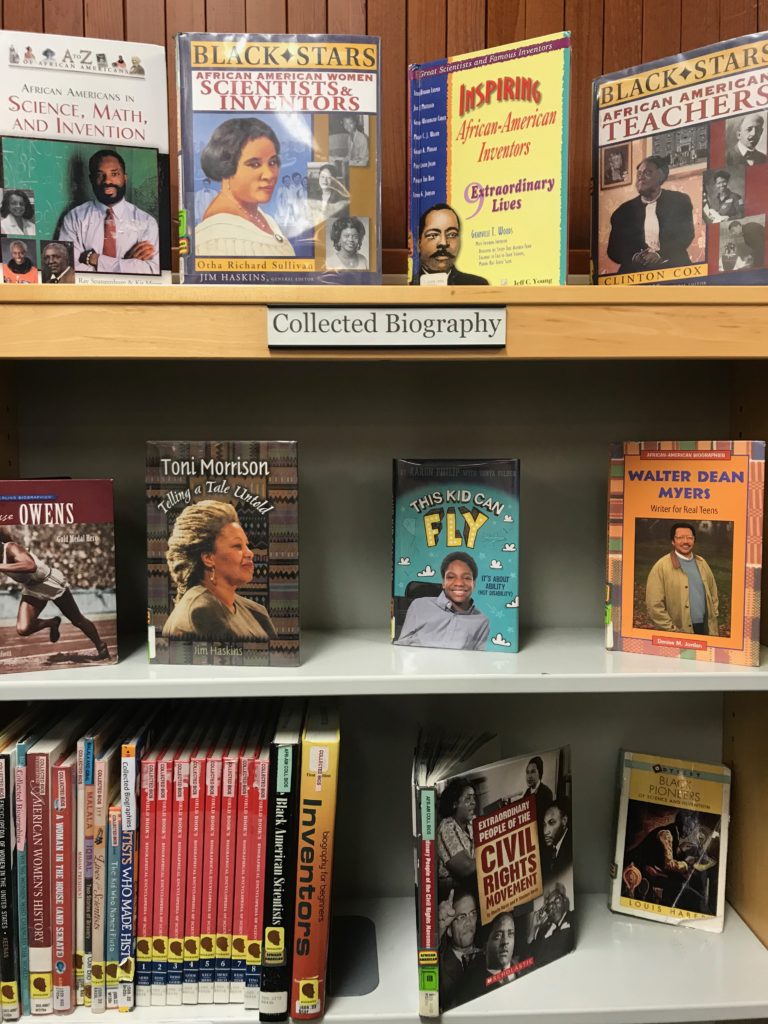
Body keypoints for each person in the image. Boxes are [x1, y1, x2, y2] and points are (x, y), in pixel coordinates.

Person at [162, 499, 278, 643]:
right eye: (237, 546)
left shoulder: (256, 611)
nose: (250, 553)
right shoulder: (200, 611)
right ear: (208, 558)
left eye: (246, 545)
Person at [0, 529, 109, 659]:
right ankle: (52, 622)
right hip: (32, 588)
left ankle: (101, 645)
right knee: (24, 628)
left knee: (77, 620)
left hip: (49, 582)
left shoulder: (11, 547)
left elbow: (30, 566)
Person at [195, 118, 295, 258]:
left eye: (273, 162)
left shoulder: (264, 218)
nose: (269, 174)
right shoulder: (216, 239)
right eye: (254, 164)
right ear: (226, 167)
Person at [58, 149, 160, 274]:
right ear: (91, 179)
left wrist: (95, 259)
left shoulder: (147, 222)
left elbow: (151, 270)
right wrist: (126, 263)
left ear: (125, 177)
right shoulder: (74, 218)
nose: (107, 181)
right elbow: (68, 269)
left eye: (114, 174)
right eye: (100, 175)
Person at [606, 155, 694, 273]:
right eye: (639, 174)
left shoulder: (679, 201)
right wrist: (635, 256)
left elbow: (686, 235)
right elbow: (613, 251)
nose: (641, 177)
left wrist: (659, 255)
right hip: (635, 271)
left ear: (661, 177)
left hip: (673, 266)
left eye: (647, 173)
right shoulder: (623, 212)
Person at [622, 809, 718, 914]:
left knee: (688, 886)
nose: (694, 828)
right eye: (693, 824)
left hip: (654, 872)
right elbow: (669, 865)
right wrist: (687, 864)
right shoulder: (667, 835)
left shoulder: (673, 833)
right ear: (685, 822)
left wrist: (681, 850)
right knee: (685, 890)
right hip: (639, 872)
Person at [395, 552, 490, 651]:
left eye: (466, 578)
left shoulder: (481, 621)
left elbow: (477, 658)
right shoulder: (418, 605)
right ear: (443, 583)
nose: (459, 583)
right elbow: (402, 647)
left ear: (474, 584)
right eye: (451, 577)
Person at [645, 522, 719, 636]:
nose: (686, 541)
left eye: (690, 538)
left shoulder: (702, 563)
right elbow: (654, 605)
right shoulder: (661, 567)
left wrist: (714, 614)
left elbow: (713, 592)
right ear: (673, 541)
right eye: (680, 538)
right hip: (679, 631)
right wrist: (672, 631)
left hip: (705, 629)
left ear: (694, 540)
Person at [412, 203, 489, 285]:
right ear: (418, 244)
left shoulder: (477, 285)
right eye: (433, 235)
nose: (443, 243)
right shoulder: (407, 287)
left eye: (452, 234)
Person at [437, 889, 483, 1011]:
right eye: (462, 917)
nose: (469, 923)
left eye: (473, 914)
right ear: (449, 930)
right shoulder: (439, 964)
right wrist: (439, 928)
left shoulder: (487, 955)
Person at [436, 779, 477, 899]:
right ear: (454, 804)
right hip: (454, 899)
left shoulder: (472, 825)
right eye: (468, 798)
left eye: (474, 798)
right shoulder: (446, 828)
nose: (474, 802)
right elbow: (466, 868)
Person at [531, 883, 574, 966]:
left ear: (565, 901)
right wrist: (534, 928)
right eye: (550, 905)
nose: (553, 906)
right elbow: (531, 957)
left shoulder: (574, 917)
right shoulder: (542, 931)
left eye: (557, 901)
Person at [541, 798, 572, 880]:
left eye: (551, 822)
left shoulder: (571, 848)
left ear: (564, 821)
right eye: (544, 824)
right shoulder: (548, 849)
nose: (546, 832)